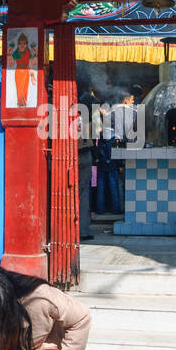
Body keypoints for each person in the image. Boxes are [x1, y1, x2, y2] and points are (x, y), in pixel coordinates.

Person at [77, 92, 96, 241]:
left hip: (69, 155)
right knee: (84, 193)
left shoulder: (71, 114)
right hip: (86, 154)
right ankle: (83, 230)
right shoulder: (92, 118)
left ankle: (68, 230)